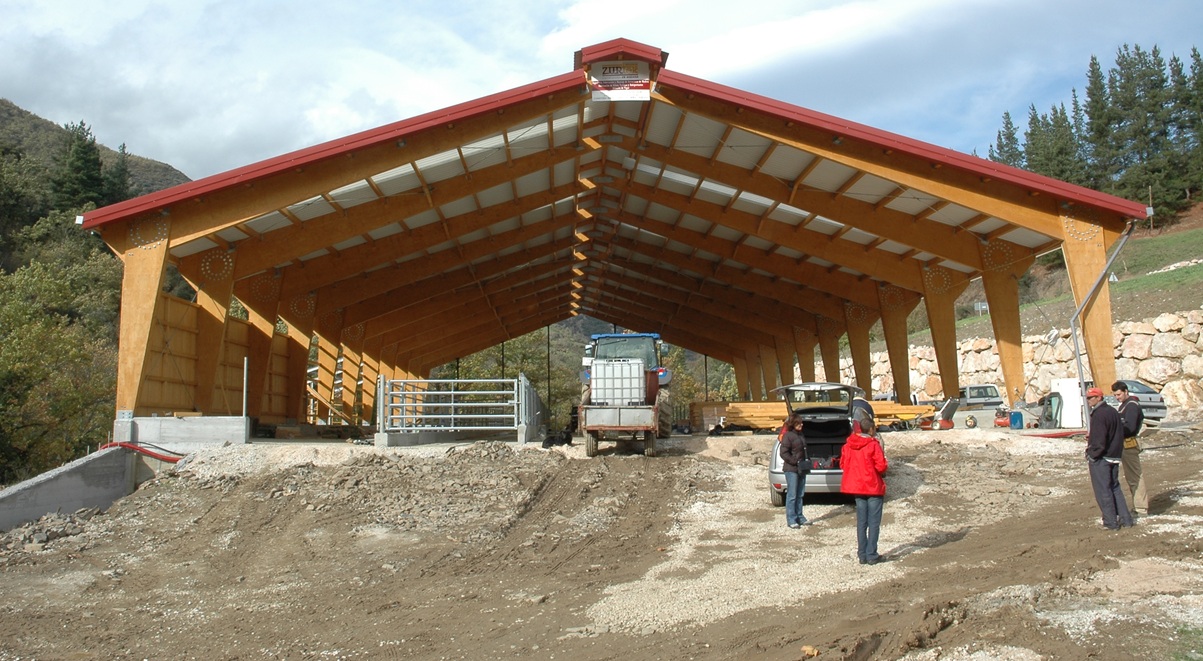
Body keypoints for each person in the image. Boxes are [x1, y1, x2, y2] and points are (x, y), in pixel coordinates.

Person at [840, 417, 888, 564]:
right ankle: (871, 554)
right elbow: (881, 466)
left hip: (857, 487)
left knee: (862, 522)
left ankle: (862, 554)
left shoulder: (848, 445)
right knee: (873, 522)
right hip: (872, 486)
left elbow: (842, 464)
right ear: (871, 429)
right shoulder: (873, 445)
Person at [1085, 387, 1133, 530]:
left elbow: (1100, 440)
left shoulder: (1099, 414)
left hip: (1103, 458)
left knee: (1103, 490)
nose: (1088, 400)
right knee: (1115, 488)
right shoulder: (1112, 411)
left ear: (1099, 398)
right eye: (1087, 397)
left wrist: (1092, 454)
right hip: (1114, 455)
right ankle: (1126, 520)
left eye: (1091, 398)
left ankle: (1110, 523)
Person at [1112, 381, 1149, 518]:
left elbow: (1130, 428)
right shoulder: (1124, 405)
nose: (1117, 397)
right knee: (1130, 476)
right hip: (1124, 443)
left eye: (1119, 394)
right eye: (1115, 395)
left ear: (1126, 391)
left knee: (1135, 476)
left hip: (1129, 443)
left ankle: (1141, 508)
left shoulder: (1131, 406)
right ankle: (1138, 506)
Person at [778, 413, 812, 528]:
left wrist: (806, 461)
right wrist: (795, 461)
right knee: (792, 495)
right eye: (798, 423)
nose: (801, 425)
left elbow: (803, 450)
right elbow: (783, 453)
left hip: (801, 468)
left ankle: (800, 516)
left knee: (800, 494)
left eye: (801, 423)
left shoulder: (801, 434)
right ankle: (791, 519)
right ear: (793, 424)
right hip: (791, 469)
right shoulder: (788, 436)